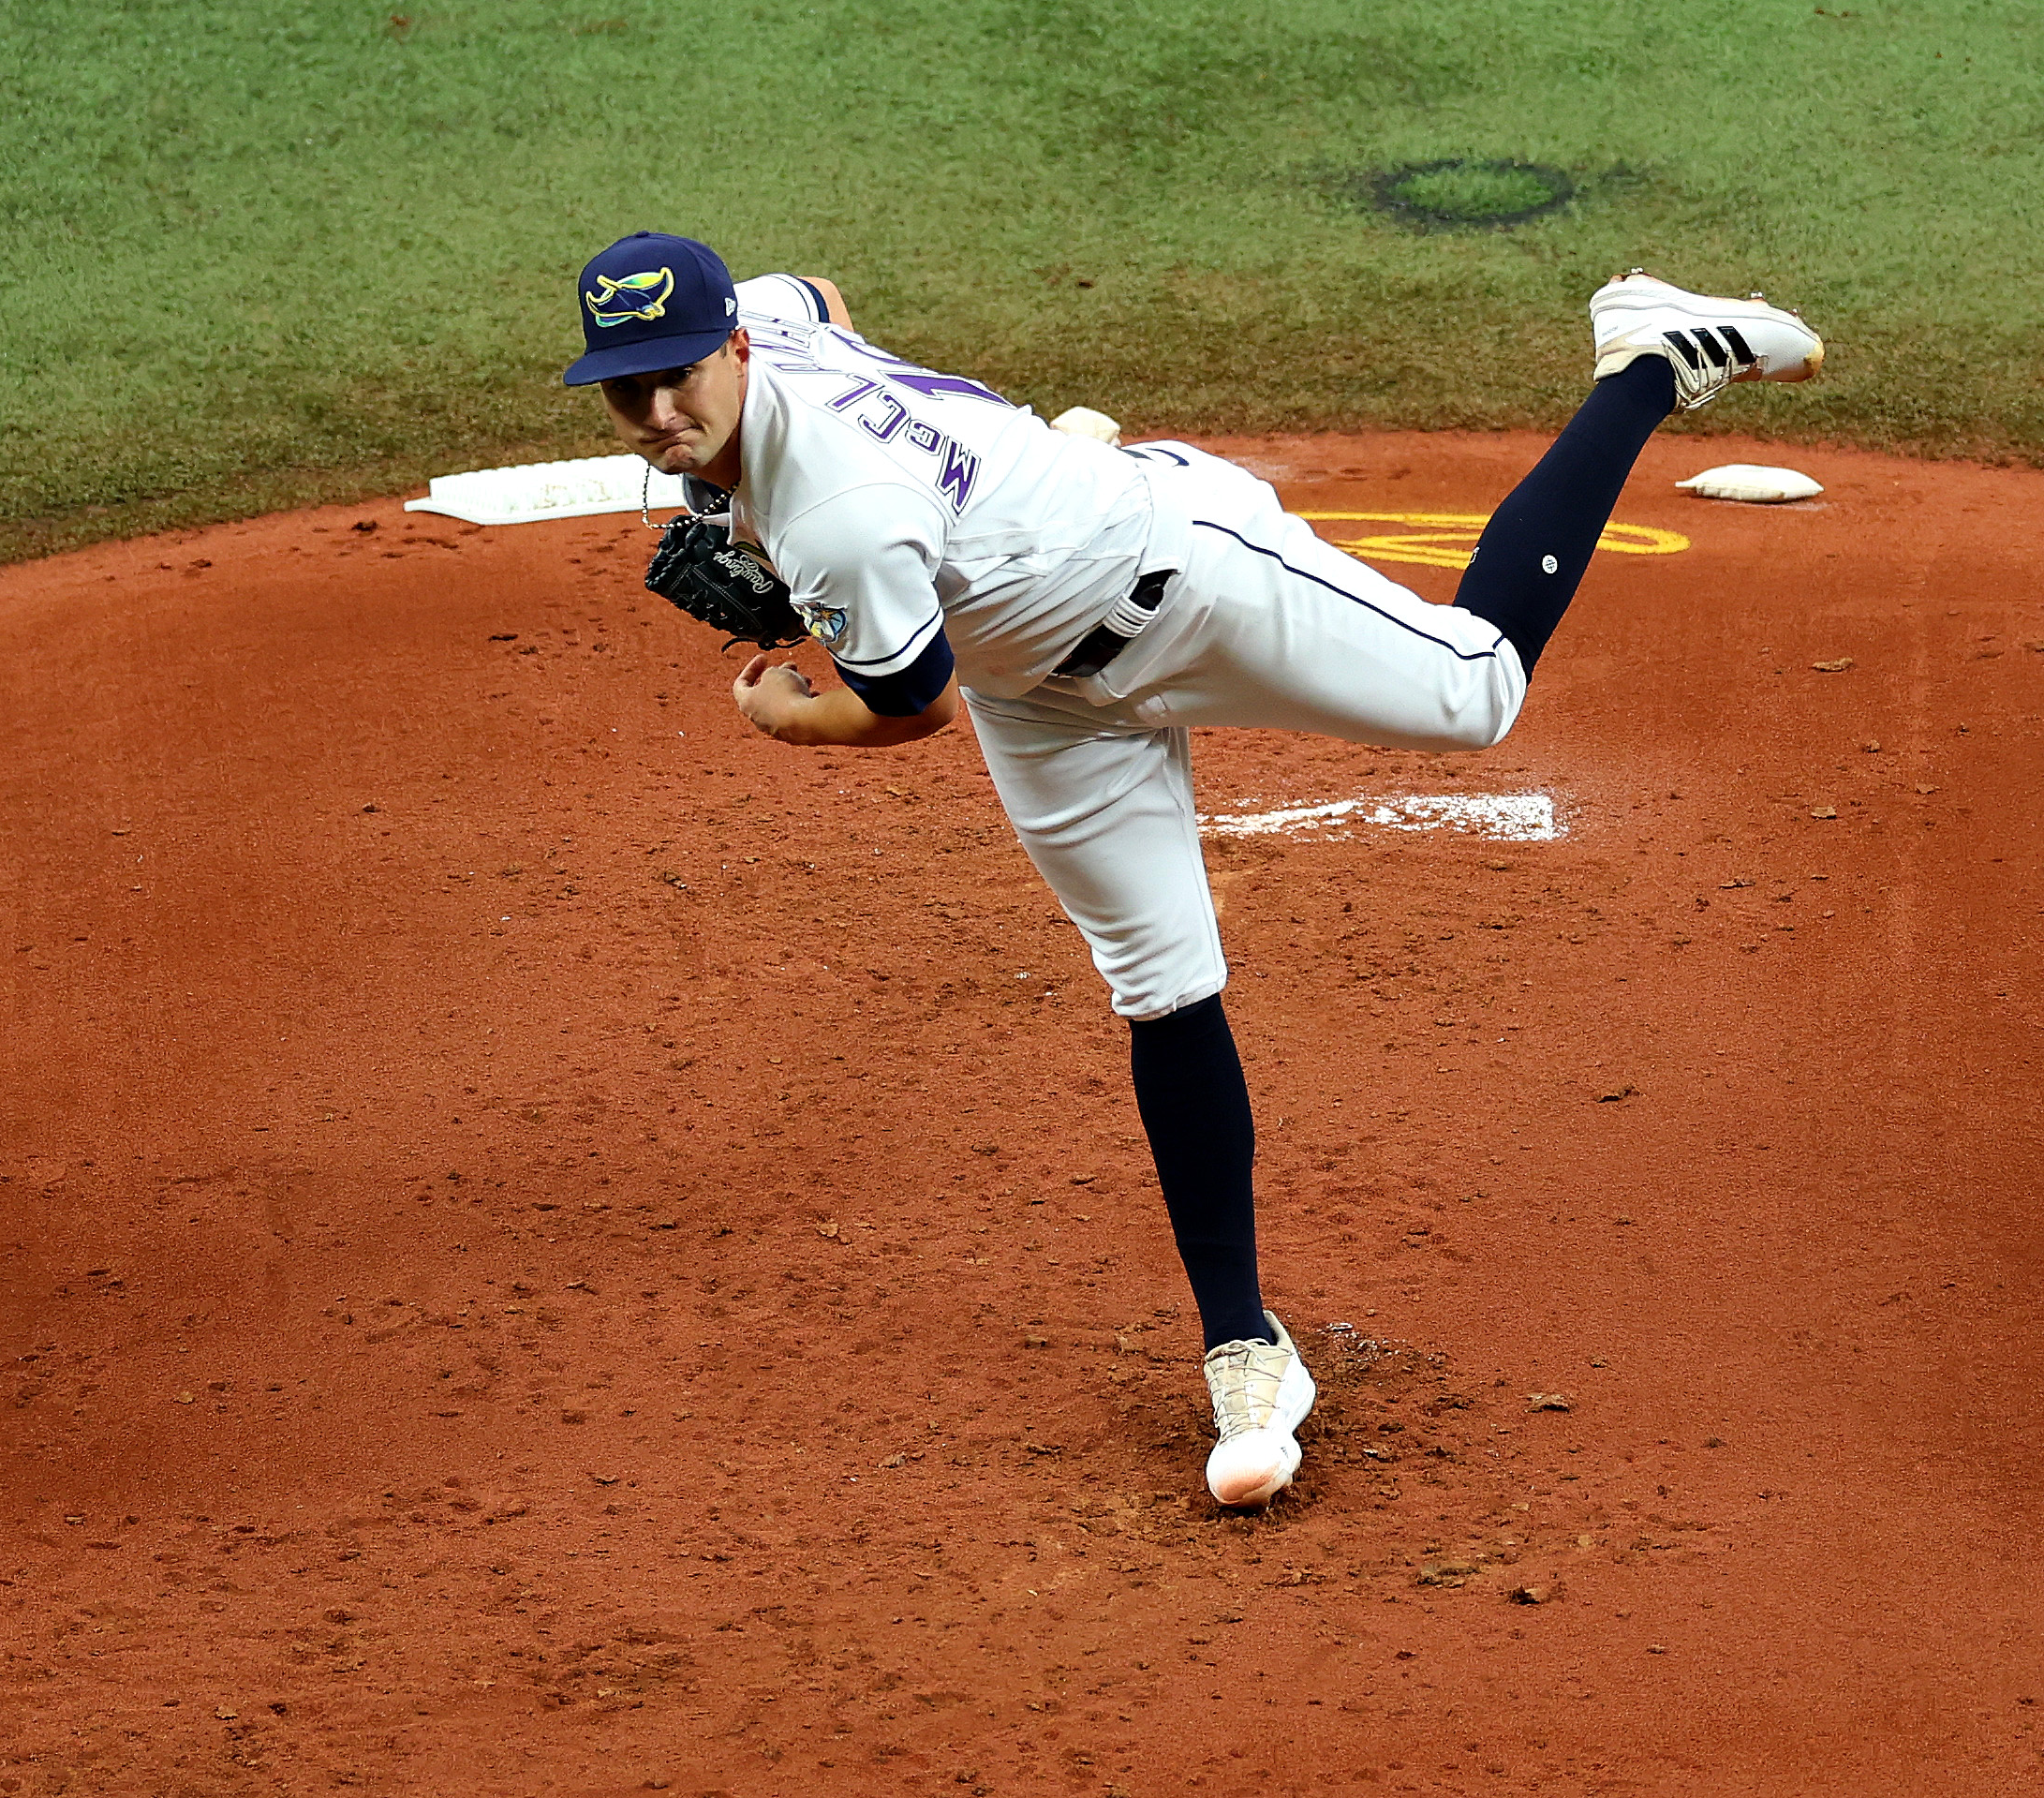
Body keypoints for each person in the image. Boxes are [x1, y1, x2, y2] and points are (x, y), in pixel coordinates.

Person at [562, 230, 1823, 1507]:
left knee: (1475, 687)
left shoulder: (838, 518)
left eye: (683, 377)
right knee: (1159, 983)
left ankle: (1651, 354)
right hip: (1044, 698)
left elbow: (905, 707)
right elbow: (824, 297)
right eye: (630, 391)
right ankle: (1245, 1348)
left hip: (1189, 578)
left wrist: (788, 713)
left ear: (732, 342)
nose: (661, 415)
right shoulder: (767, 322)